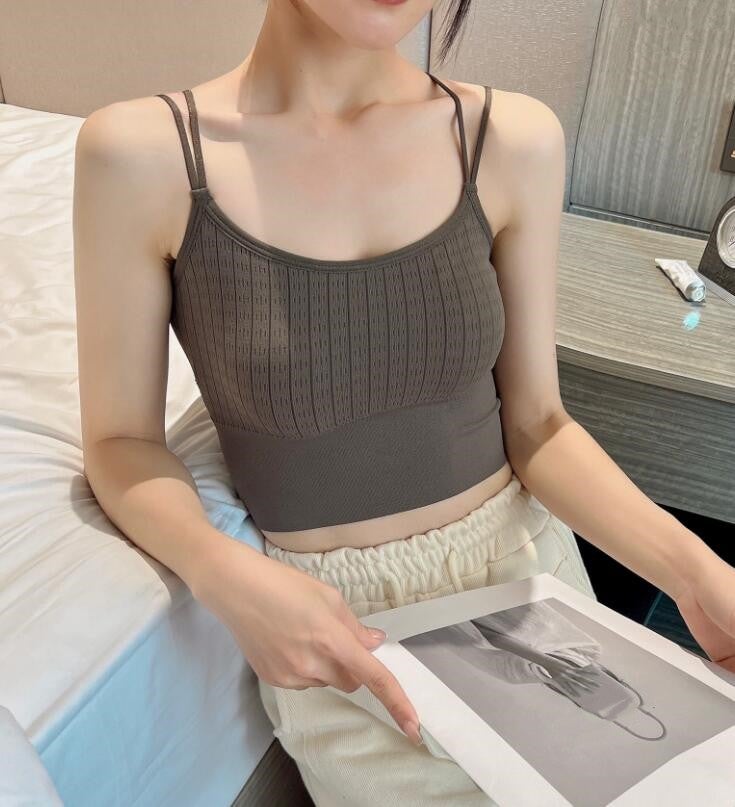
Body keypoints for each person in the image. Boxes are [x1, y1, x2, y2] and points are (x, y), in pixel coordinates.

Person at [72, 0, 735, 804]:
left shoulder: (509, 137)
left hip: (529, 577)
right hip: (343, 631)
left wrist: (696, 572)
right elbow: (119, 441)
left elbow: (538, 424)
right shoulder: (141, 156)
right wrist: (224, 573)